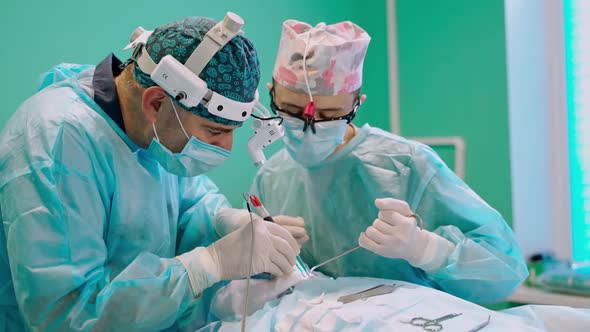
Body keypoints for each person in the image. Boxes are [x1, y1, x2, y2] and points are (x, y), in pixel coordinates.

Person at [0, 15, 299, 331]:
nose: (225, 148)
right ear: (156, 103)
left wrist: (224, 223)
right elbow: (66, 315)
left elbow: (189, 204)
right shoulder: (58, 142)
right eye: (215, 131)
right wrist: (209, 264)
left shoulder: (152, 133)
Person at [248, 19, 529, 304]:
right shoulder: (271, 177)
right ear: (272, 93)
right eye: (293, 110)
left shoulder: (406, 165)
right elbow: (256, 288)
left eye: (330, 114)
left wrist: (426, 249)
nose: (310, 126)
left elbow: (505, 271)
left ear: (358, 104)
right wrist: (265, 257)